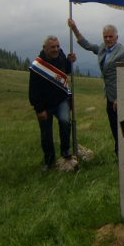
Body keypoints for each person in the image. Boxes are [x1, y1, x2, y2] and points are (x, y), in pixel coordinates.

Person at [67, 19, 124, 156]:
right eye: (105, 37)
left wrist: (120, 96)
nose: (108, 39)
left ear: (116, 37)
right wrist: (74, 28)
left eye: (110, 37)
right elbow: (88, 45)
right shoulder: (103, 48)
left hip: (120, 97)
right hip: (109, 96)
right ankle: (120, 154)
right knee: (114, 127)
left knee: (122, 127)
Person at [29, 35, 76, 173]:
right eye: (53, 47)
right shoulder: (37, 66)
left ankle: (65, 151)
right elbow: (34, 91)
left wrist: (69, 61)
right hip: (44, 105)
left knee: (65, 122)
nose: (56, 49)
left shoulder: (60, 55)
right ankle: (49, 161)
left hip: (61, 100)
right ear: (45, 48)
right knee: (46, 134)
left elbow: (65, 70)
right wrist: (39, 109)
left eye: (57, 46)